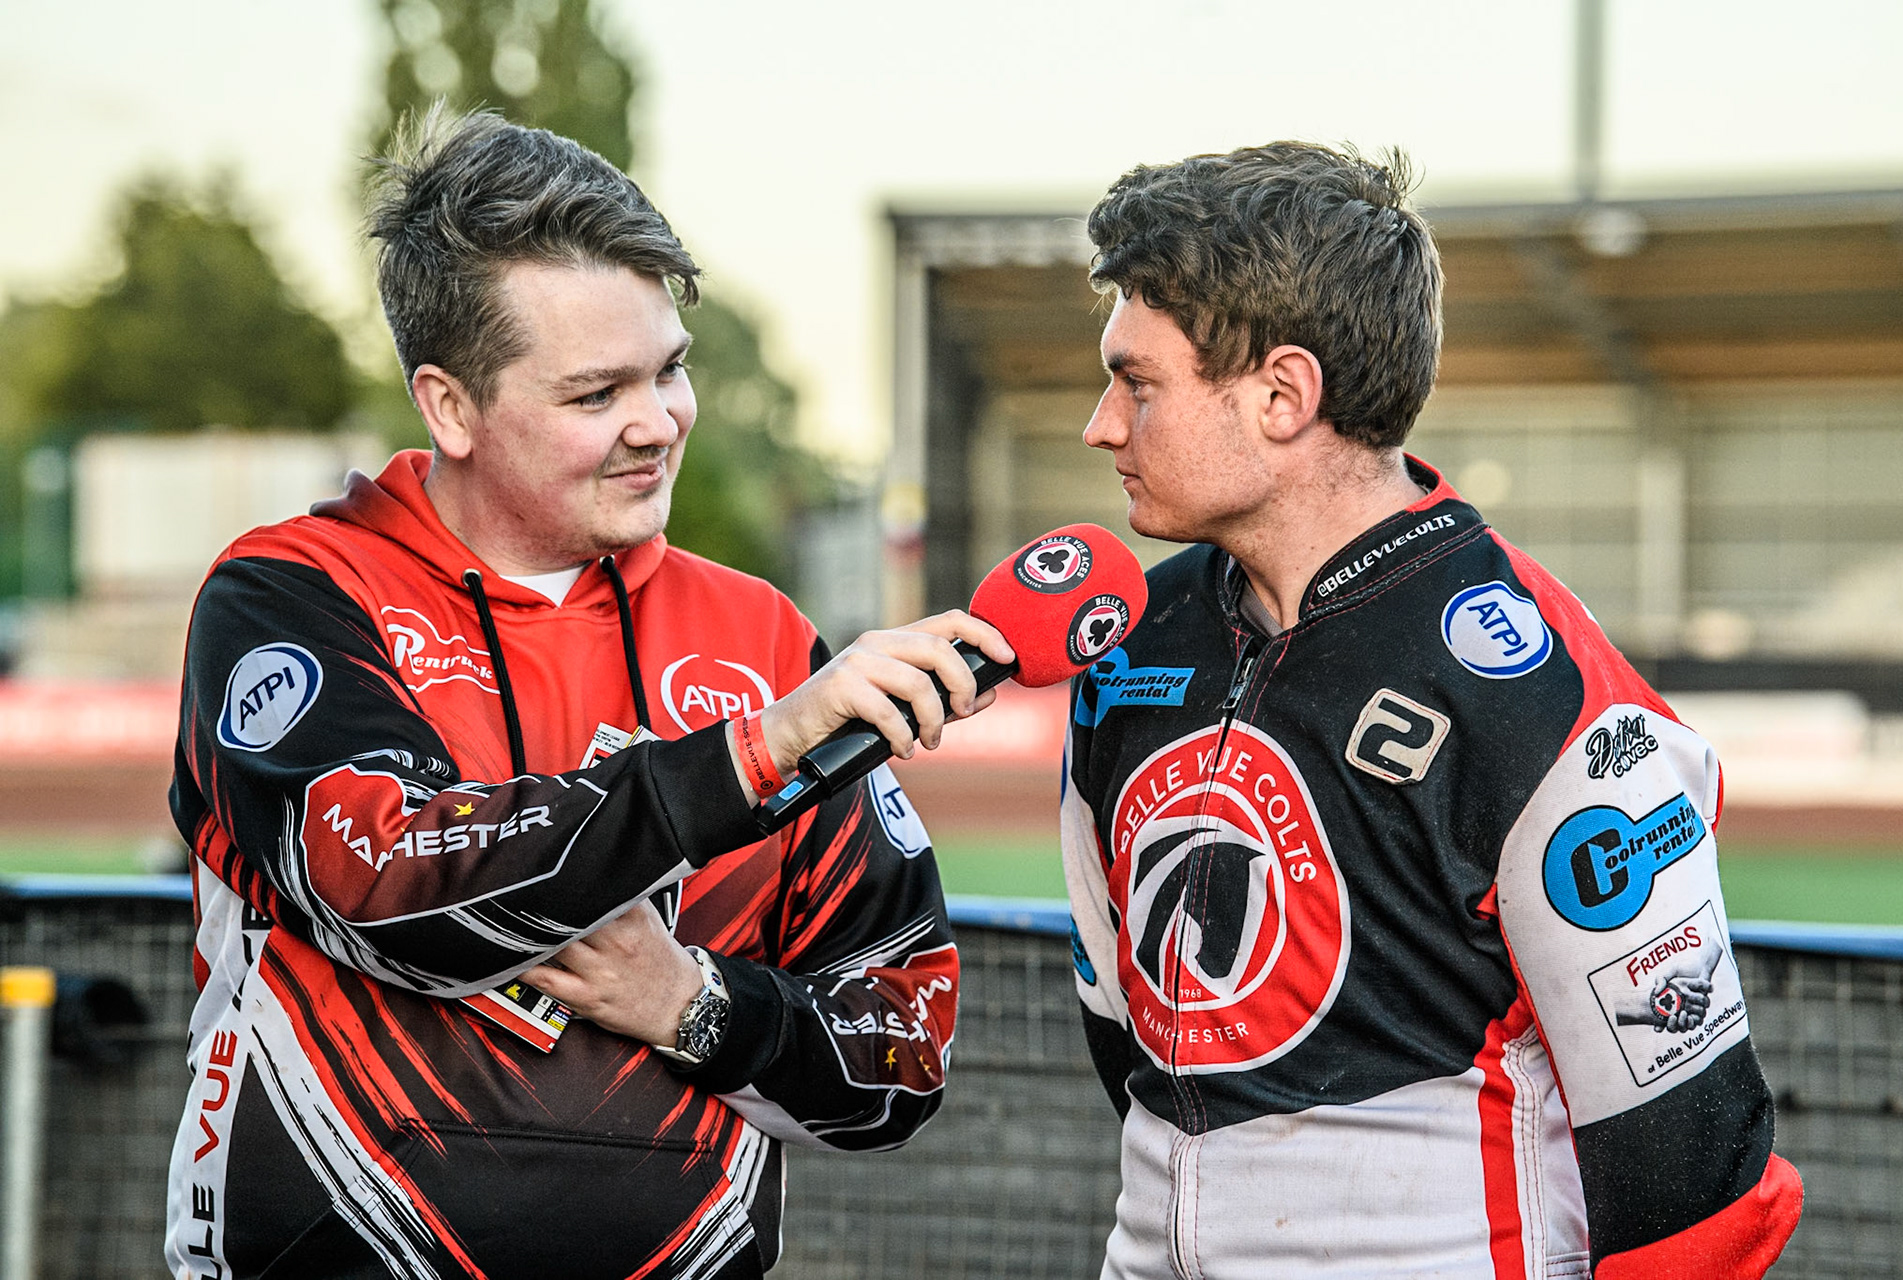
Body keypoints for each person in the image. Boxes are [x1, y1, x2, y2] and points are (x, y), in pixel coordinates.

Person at [163, 109, 1011, 1280]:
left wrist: (696, 1005)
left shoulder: (760, 636)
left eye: (670, 368)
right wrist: (754, 755)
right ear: (450, 406)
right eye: (595, 392)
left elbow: (903, 1047)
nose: (658, 422)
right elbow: (383, 879)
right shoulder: (294, 592)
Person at [1060, 143, 1803, 1278]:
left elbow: (1695, 1172)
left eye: (1138, 381)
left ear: (1281, 395)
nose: (1100, 425)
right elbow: (1133, 1046)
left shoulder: (1545, 696)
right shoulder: (1127, 644)